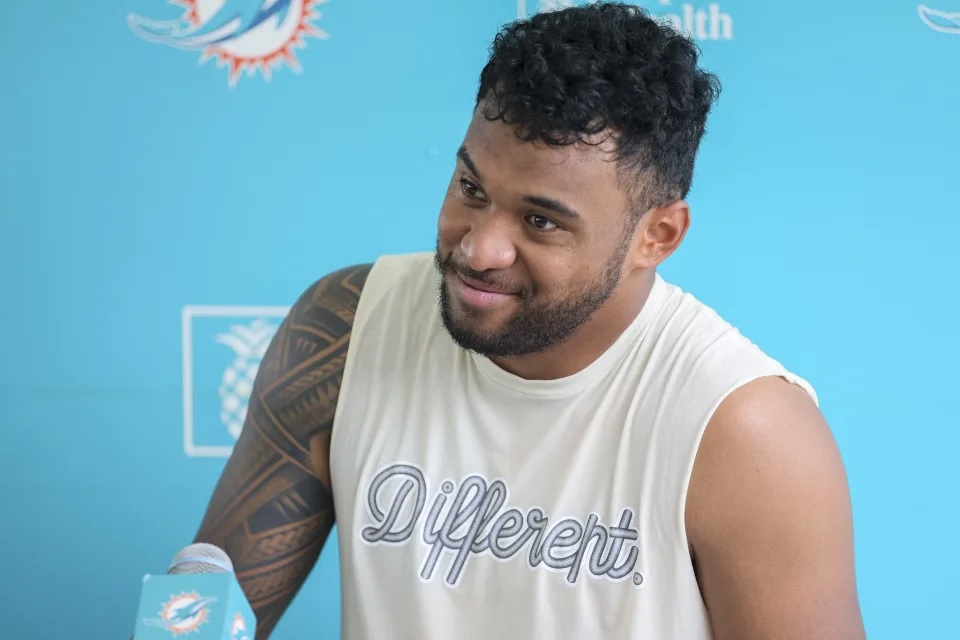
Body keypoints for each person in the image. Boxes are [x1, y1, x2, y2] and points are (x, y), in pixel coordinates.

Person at [191, 3, 865, 638]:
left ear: (656, 236)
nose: (479, 248)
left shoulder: (746, 434)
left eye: (541, 221)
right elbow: (202, 606)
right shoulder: (345, 330)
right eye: (471, 189)